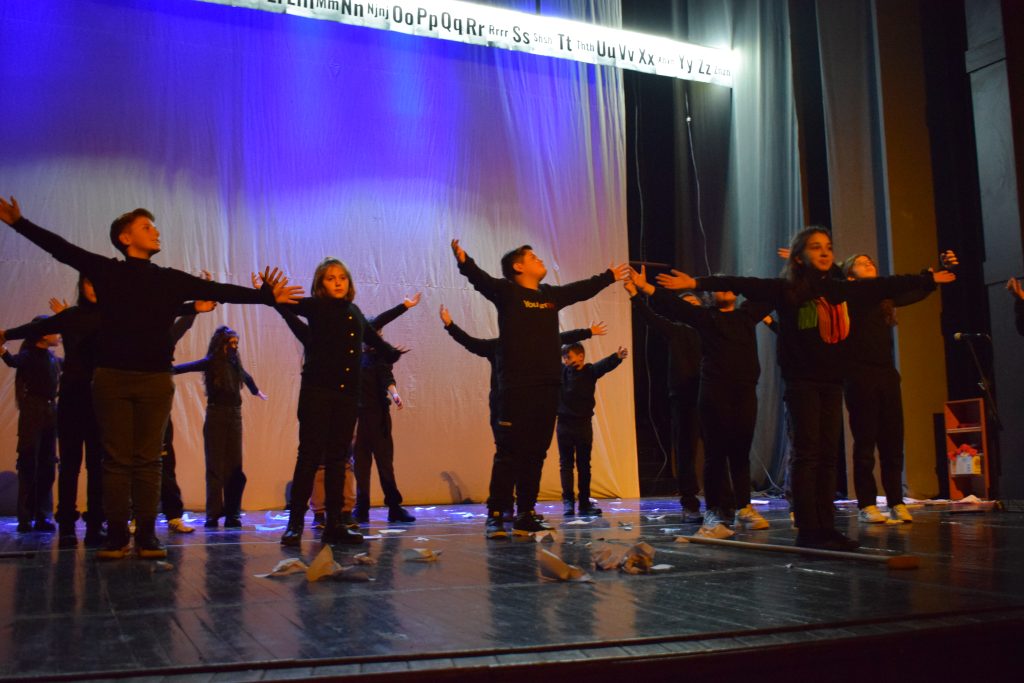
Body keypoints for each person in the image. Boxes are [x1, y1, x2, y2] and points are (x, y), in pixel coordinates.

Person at [0, 197, 301, 559]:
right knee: (115, 460)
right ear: (125, 238)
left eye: (154, 227)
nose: (155, 231)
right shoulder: (108, 272)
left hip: (155, 379)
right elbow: (62, 249)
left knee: (149, 459)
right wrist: (18, 223)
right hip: (112, 379)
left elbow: (218, 290)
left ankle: (146, 535)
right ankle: (115, 536)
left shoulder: (167, 279)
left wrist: (265, 298)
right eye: (146, 227)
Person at [651, 227, 955, 550]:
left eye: (828, 247)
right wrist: (696, 283)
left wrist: (927, 278)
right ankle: (809, 527)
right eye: (815, 247)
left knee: (827, 455)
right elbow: (743, 283)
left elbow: (884, 285)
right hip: (802, 383)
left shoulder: (838, 290)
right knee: (807, 454)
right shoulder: (786, 289)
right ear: (798, 257)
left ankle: (827, 527)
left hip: (831, 381)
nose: (824, 252)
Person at [451, 239, 628, 537]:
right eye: (532, 257)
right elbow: (481, 281)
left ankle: (526, 513)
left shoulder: (549, 296)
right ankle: (496, 514)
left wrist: (608, 277)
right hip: (516, 387)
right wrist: (465, 262)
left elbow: (579, 290)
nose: (539, 260)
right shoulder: (507, 292)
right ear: (518, 267)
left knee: (536, 453)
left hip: (548, 387)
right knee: (509, 452)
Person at [267, 259, 404, 547]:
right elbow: (287, 303)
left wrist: (390, 352)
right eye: (331, 278)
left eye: (342, 277)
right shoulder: (316, 306)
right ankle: (294, 524)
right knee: (309, 457)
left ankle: (334, 524)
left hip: (347, 396)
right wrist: (270, 294)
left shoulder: (354, 312)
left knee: (337, 460)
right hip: (317, 392)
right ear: (321, 284)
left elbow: (373, 337)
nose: (338, 282)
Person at [627, 273, 773, 533]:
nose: (724, 290)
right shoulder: (703, 320)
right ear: (710, 296)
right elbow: (670, 307)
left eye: (728, 286)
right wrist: (643, 289)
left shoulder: (746, 315)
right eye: (718, 287)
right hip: (705, 394)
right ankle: (710, 509)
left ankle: (742, 507)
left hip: (744, 391)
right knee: (711, 453)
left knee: (739, 453)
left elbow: (772, 292)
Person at [440, 305, 601, 531]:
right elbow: (471, 343)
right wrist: (450, 325)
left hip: (527, 408)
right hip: (503, 409)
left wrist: (588, 332)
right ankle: (501, 509)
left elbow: (559, 337)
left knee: (529, 458)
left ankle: (525, 510)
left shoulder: (530, 345)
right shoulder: (497, 346)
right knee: (507, 458)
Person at [841, 251, 956, 524]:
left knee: (892, 442)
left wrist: (935, 273)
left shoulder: (884, 298)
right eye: (861, 263)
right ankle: (867, 504)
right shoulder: (851, 295)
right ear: (849, 275)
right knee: (865, 443)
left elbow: (914, 292)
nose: (869, 263)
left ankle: (895, 501)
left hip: (886, 375)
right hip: (859, 376)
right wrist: (928, 276)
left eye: (871, 261)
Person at [3, 278, 105, 544]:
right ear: (81, 286)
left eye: (98, 282)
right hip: (69, 399)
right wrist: (6, 335)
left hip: (96, 398)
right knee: (67, 465)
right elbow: (36, 329)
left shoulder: (109, 316)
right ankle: (65, 525)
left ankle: (94, 524)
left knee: (95, 465)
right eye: (89, 283)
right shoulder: (69, 318)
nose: (94, 288)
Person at [174, 325, 267, 529]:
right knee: (215, 466)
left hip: (235, 416)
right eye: (231, 343)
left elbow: (247, 377)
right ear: (221, 344)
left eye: (236, 343)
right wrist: (168, 370)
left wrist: (256, 392)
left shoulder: (235, 363)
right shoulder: (211, 362)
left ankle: (233, 514)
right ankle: (213, 514)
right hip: (216, 415)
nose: (234, 346)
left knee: (234, 467)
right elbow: (188, 366)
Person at [627, 288, 703, 521]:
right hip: (683, 396)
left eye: (694, 304)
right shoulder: (676, 330)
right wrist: (635, 296)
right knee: (686, 451)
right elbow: (651, 318)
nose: (690, 308)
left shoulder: (711, 329)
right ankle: (689, 503)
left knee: (719, 450)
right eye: (685, 305)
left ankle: (723, 503)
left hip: (711, 393)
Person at [0, 322, 61, 533]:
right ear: (42, 335)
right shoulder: (29, 355)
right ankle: (25, 517)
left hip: (50, 411)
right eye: (55, 331)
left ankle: (43, 515)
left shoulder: (53, 359)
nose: (59, 335)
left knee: (48, 465)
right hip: (33, 411)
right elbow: (12, 361)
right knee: (28, 463)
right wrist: (2, 348)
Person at [557, 341, 627, 517]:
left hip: (583, 425)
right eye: (564, 357)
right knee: (566, 464)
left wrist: (617, 357)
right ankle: (568, 502)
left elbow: (603, 365)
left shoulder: (589, 371)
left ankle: (584, 502)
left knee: (584, 465)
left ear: (580, 356)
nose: (566, 361)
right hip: (564, 424)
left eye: (568, 357)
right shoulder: (562, 372)